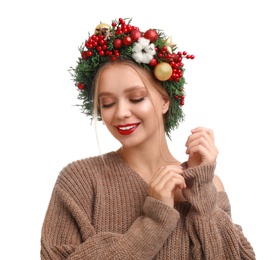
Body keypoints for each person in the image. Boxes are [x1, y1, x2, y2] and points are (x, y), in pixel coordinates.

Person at [41, 17, 256, 259]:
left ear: (165, 101)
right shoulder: (80, 180)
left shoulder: (210, 185)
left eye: (136, 98)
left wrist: (202, 192)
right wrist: (155, 220)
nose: (121, 113)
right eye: (108, 103)